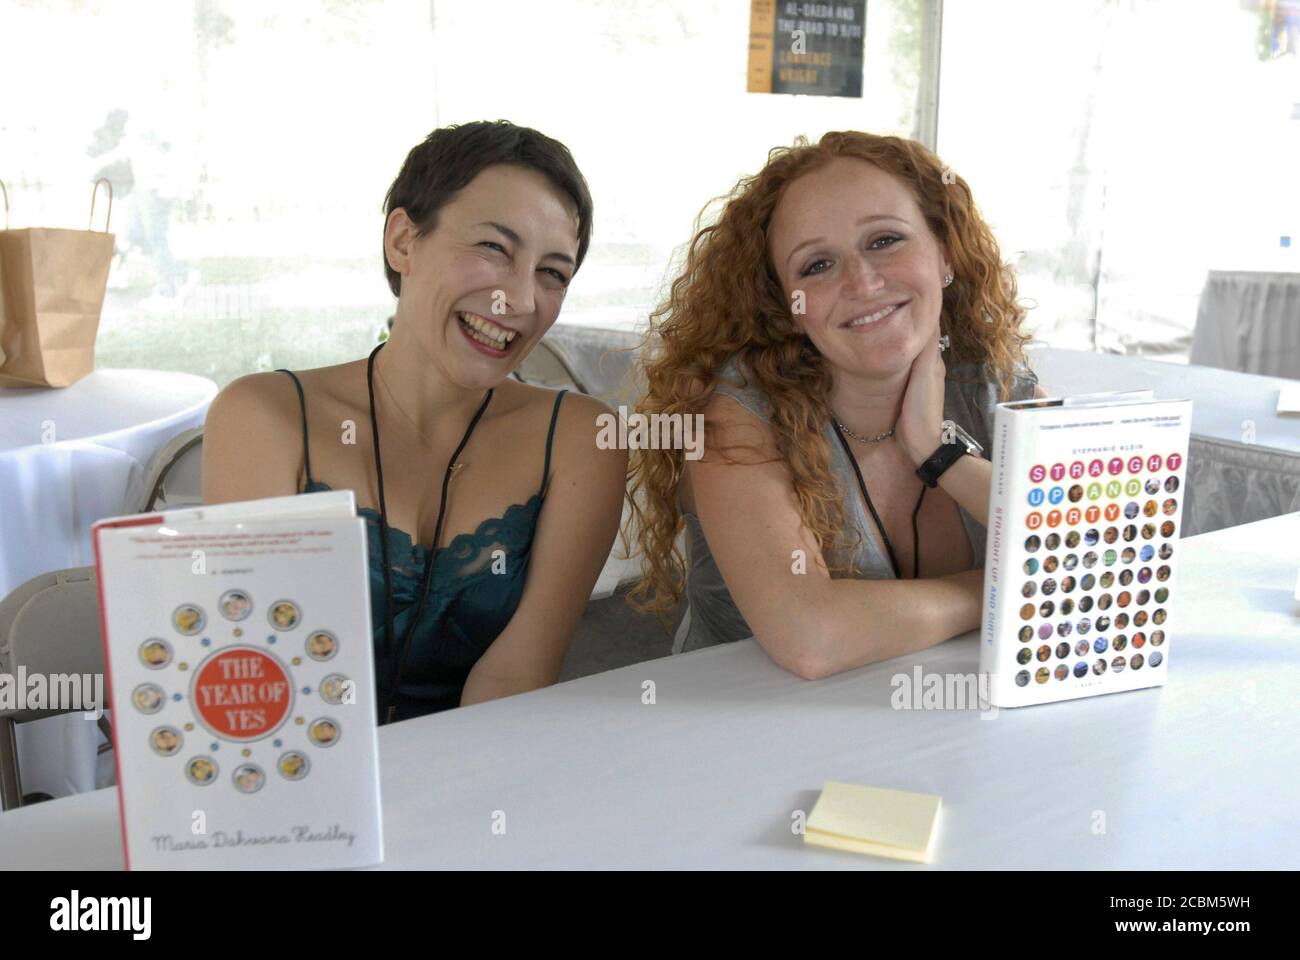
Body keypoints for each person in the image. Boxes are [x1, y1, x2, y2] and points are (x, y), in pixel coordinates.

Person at [202, 121, 626, 722]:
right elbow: (250, 679)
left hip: (483, 771)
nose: (523, 300)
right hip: (298, 778)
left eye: (552, 273)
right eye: (494, 249)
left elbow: (518, 674)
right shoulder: (265, 417)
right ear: (402, 240)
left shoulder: (581, 438)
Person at [627, 130, 1047, 680]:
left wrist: (935, 451)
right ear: (785, 305)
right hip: (745, 739)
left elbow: (1102, 559)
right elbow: (811, 638)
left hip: (948, 729)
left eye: (885, 241)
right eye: (817, 265)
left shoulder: (1001, 386)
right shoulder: (735, 416)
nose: (862, 281)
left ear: (944, 254)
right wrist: (1014, 580)